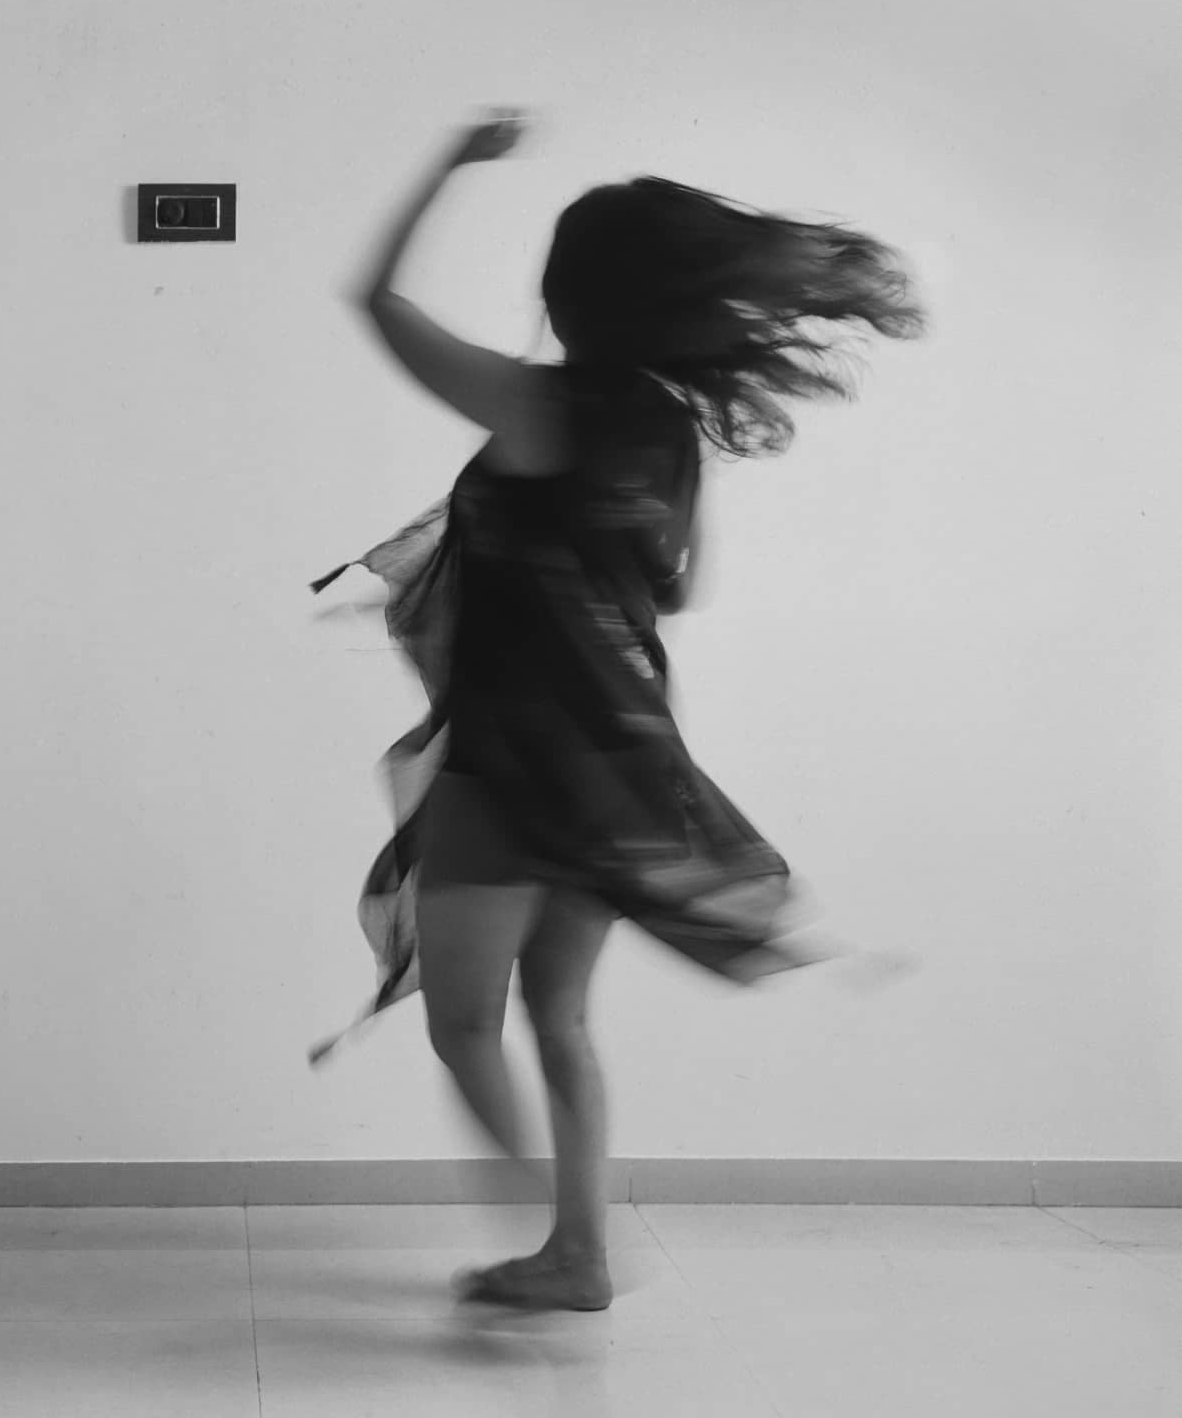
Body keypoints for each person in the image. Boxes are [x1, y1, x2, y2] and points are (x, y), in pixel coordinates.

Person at [324, 110, 923, 1311]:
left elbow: (377, 302)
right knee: (559, 1016)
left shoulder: (539, 407)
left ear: (572, 297)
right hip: (619, 764)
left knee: (463, 1025)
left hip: (512, 766)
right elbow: (678, 587)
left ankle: (544, 1224)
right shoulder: (668, 430)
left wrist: (446, 162)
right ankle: (578, 1252)